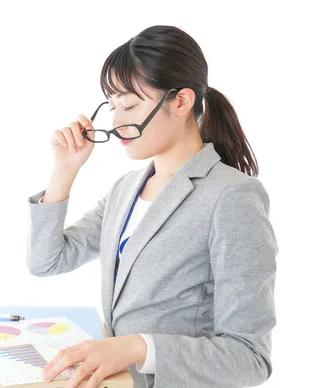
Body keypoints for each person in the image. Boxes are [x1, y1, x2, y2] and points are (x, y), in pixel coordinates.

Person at [26, 25, 278, 388]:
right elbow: (45, 261)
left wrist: (136, 348)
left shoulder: (232, 197)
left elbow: (249, 358)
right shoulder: (125, 190)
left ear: (181, 101)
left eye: (129, 105)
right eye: (112, 107)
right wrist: (64, 172)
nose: (116, 122)